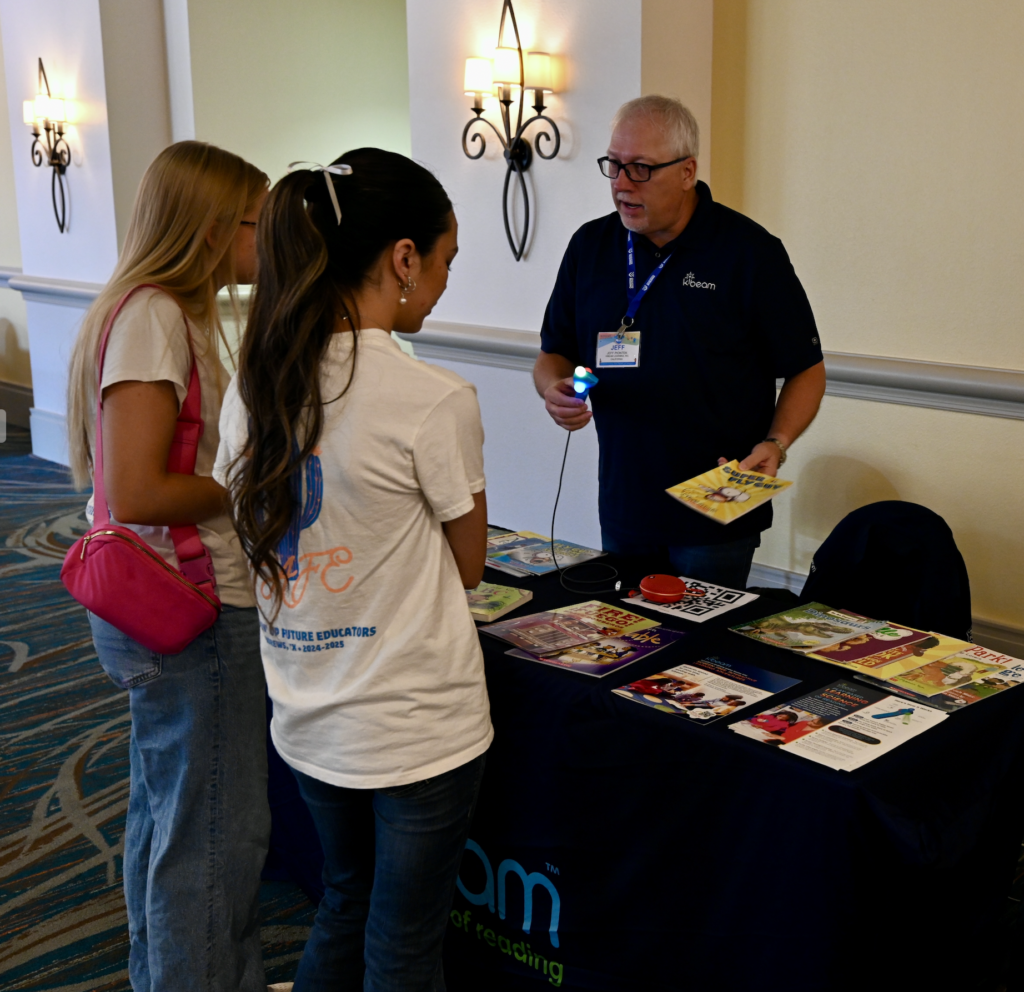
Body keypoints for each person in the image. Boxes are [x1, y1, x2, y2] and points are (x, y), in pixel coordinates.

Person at [217, 148, 492, 991]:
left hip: (307, 712)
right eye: (445, 261)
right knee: (405, 942)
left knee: (346, 900)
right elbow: (471, 565)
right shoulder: (432, 398)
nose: (443, 284)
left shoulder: (254, 387)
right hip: (417, 726)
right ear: (402, 258)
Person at [65, 142, 270, 991]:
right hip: (186, 606)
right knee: (214, 833)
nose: (269, 242)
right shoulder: (154, 316)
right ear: (215, 226)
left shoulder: (151, 309)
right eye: (259, 223)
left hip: (154, 598)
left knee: (169, 813)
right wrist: (251, 486)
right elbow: (141, 486)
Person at [534, 95, 826, 589]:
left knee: (702, 654)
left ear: (687, 171)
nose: (622, 185)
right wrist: (554, 390)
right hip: (626, 499)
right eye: (614, 166)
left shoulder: (749, 253)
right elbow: (553, 352)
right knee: (628, 644)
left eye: (641, 169)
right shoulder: (591, 246)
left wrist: (776, 443)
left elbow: (806, 369)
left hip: (718, 505)